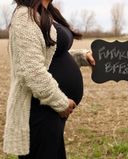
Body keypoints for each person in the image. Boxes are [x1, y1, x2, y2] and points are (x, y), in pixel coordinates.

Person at [3, 0, 95, 158]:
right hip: (39, 110)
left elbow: (50, 56)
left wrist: (82, 57)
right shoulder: (25, 16)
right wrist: (60, 102)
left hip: (50, 111)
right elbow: (31, 70)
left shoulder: (45, 12)